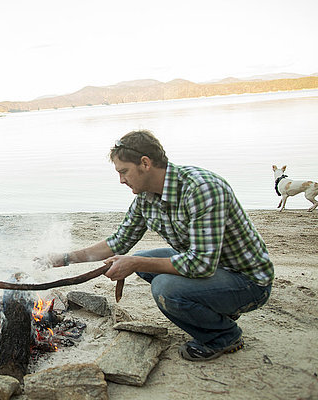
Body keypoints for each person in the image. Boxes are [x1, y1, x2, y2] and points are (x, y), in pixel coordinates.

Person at [45, 129, 273, 361]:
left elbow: (201, 264)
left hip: (248, 282)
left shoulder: (201, 189)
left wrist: (134, 262)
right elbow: (117, 243)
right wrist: (63, 259)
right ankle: (214, 309)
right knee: (144, 261)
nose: (121, 180)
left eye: (124, 172)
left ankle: (224, 337)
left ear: (145, 163)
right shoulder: (146, 198)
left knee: (165, 287)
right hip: (215, 269)